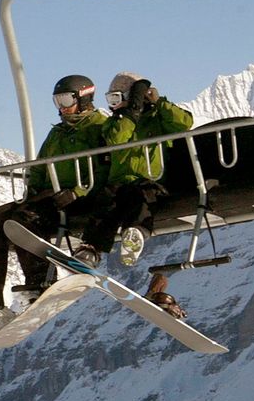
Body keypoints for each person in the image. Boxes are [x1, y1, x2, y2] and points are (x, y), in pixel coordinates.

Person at [0, 74, 108, 309]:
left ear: (84, 98)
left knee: (23, 220)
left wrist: (78, 191)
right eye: (57, 101)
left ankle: (40, 281)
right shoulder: (57, 133)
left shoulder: (99, 128)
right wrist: (33, 190)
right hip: (51, 194)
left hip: (81, 196)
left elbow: (104, 167)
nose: (62, 107)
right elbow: (41, 165)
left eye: (67, 100)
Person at [75, 72, 194, 268]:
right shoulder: (115, 122)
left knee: (142, 198)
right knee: (107, 203)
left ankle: (136, 233)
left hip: (150, 179)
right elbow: (117, 138)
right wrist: (132, 113)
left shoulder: (157, 118)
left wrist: (159, 102)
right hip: (119, 182)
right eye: (110, 99)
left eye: (117, 98)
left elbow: (184, 123)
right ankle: (90, 248)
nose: (113, 105)